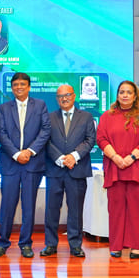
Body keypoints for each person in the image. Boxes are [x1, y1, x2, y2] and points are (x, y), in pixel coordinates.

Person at [96, 80, 139, 259]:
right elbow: (101, 139)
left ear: (135, 96)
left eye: (129, 92)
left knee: (137, 210)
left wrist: (131, 158)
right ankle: (116, 246)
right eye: (122, 92)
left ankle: (136, 246)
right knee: (115, 210)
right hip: (115, 168)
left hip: (137, 168)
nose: (125, 95)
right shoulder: (107, 116)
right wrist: (115, 157)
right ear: (117, 95)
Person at [0, 72, 50, 258]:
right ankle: (2, 243)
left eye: (22, 84)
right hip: (10, 163)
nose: (19, 87)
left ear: (29, 87)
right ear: (12, 88)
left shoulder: (40, 105)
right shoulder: (4, 108)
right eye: (15, 84)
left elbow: (45, 130)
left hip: (32, 163)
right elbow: (1, 133)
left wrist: (29, 151)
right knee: (7, 205)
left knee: (28, 206)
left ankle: (25, 244)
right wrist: (17, 154)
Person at [42, 84, 96, 257]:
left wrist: (74, 156)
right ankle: (50, 244)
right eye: (60, 96)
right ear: (57, 99)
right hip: (54, 169)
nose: (64, 99)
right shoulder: (49, 117)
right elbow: (45, 140)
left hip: (77, 169)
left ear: (74, 96)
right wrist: (59, 158)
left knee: (76, 210)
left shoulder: (86, 117)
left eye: (67, 95)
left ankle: (75, 245)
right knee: (52, 209)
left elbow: (90, 140)